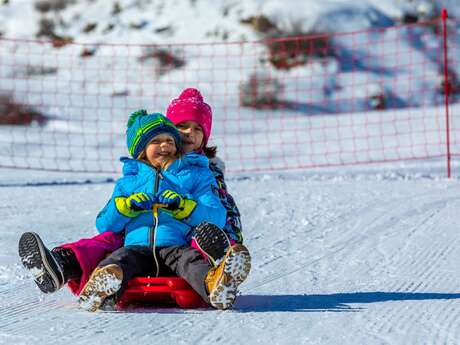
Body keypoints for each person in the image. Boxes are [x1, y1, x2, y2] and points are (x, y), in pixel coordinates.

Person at [18, 88, 245, 297]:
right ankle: (68, 268)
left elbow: (219, 213)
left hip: (184, 240)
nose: (189, 134)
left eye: (197, 129)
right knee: (109, 244)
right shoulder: (133, 178)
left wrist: (187, 208)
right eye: (182, 127)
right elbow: (106, 220)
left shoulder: (203, 172)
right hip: (137, 241)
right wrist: (125, 207)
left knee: (193, 253)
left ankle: (218, 273)